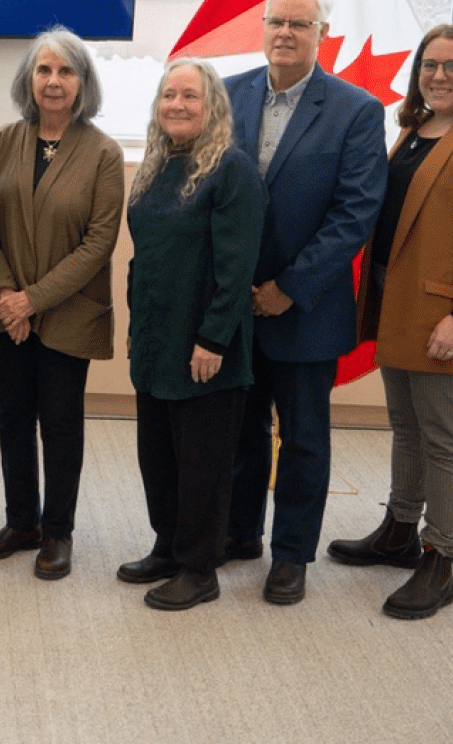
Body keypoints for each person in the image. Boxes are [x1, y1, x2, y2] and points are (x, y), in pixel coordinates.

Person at [327, 24, 453, 620]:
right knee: (406, 428)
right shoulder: (414, 129)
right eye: (430, 65)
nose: (439, 76)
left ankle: (438, 560)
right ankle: (398, 528)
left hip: (447, 313)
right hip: (395, 302)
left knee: (443, 439)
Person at [219, 0, 387, 606]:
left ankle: (291, 555)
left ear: (321, 35)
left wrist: (289, 288)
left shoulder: (356, 110)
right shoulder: (226, 93)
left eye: (300, 24)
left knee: (304, 439)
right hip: (233, 305)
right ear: (262, 27)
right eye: (276, 21)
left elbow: (355, 212)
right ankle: (238, 535)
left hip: (305, 307)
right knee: (240, 429)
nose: (285, 33)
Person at [0, 26, 123, 581]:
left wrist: (32, 300)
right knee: (12, 417)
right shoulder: (4, 140)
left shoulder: (104, 152)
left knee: (60, 423)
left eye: (65, 71)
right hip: (4, 310)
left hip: (68, 312)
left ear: (83, 83)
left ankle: (58, 532)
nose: (53, 82)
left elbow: (99, 241)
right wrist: (8, 296)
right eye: (44, 70)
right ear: (28, 79)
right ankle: (21, 522)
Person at [119, 59, 264, 610]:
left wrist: (214, 339)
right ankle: (168, 547)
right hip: (157, 337)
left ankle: (200, 568)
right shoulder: (157, 168)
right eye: (168, 95)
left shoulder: (232, 171)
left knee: (203, 461)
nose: (177, 104)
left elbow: (237, 266)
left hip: (206, 345)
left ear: (214, 108)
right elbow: (144, 258)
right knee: (158, 454)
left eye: (191, 96)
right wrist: (138, 325)